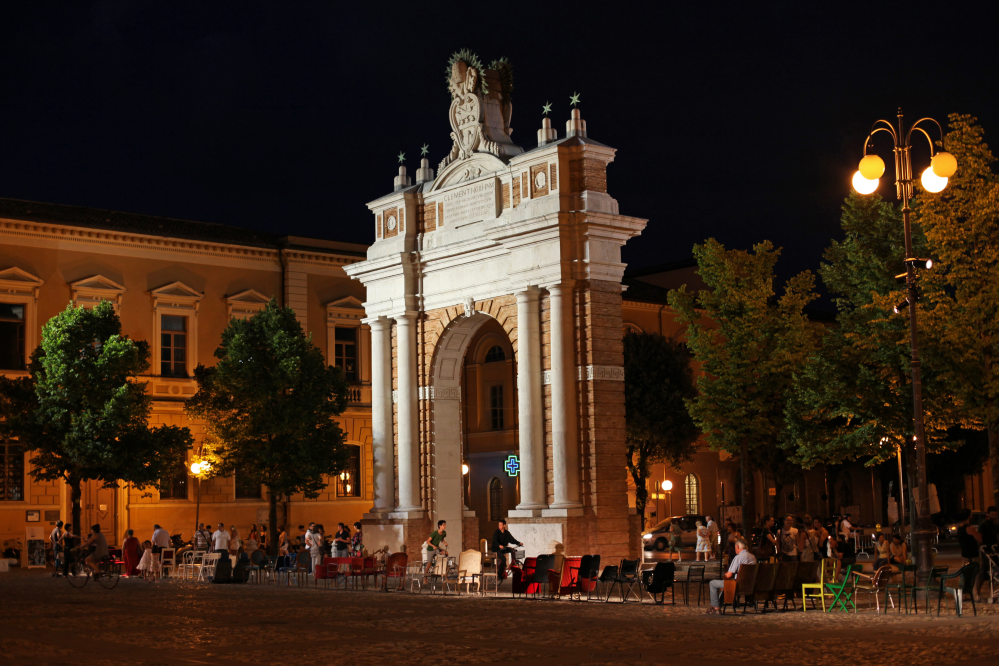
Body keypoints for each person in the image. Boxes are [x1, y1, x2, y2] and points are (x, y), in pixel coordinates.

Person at [708, 538, 757, 614]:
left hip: (737, 585)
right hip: (749, 584)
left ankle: (716, 607)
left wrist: (726, 574)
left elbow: (729, 575)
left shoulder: (738, 557)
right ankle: (717, 606)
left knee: (713, 583)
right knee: (726, 585)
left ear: (737, 547)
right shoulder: (753, 557)